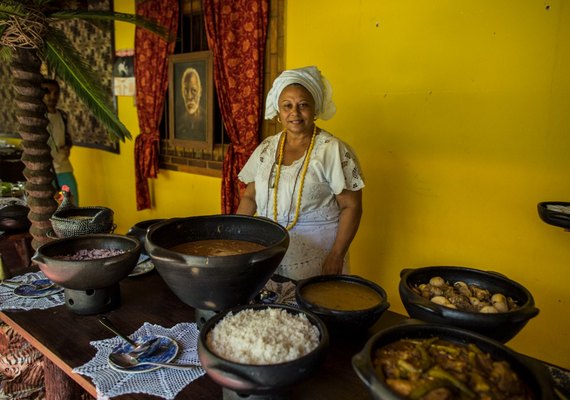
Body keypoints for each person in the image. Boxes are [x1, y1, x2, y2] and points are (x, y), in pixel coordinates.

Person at [237, 66, 364, 281]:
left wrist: (336, 255)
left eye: (303, 105)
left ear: (315, 109)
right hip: (269, 253)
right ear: (278, 112)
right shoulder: (266, 148)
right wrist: (236, 240)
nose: (294, 113)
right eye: (287, 106)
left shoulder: (332, 150)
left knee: (309, 310)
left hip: (318, 257)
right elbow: (250, 197)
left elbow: (351, 206)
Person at [41, 78, 79, 206]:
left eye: (56, 93)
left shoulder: (62, 116)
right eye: (47, 92)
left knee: (70, 204)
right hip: (44, 171)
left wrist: (67, 147)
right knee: (48, 207)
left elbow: (68, 138)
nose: (52, 96)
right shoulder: (37, 118)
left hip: (63, 168)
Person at [176, 67, 206, 141]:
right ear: (182, 93)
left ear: (200, 91)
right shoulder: (179, 123)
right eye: (186, 90)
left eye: (194, 90)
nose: (189, 97)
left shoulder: (207, 120)